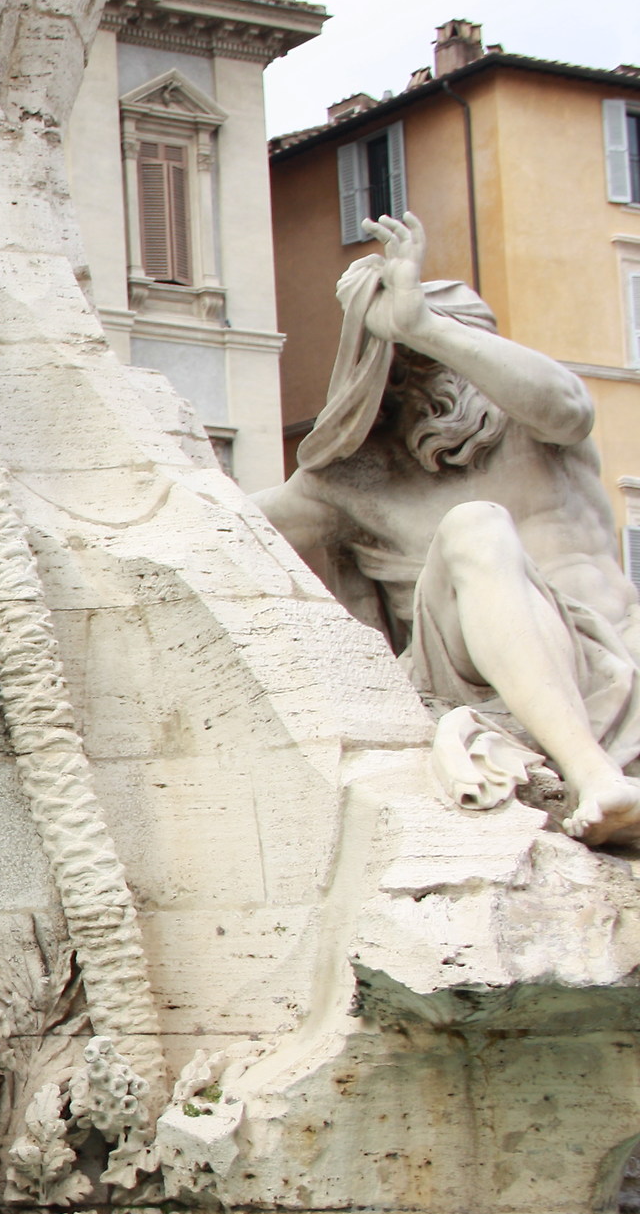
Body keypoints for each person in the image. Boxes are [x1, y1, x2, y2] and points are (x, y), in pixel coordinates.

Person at [253, 211, 638, 846]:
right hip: (475, 673)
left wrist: (424, 325)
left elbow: (568, 407)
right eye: (407, 362)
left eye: (453, 351)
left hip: (617, 653)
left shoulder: (535, 426)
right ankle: (593, 775)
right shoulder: (353, 482)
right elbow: (222, 528)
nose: (437, 377)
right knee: (476, 528)